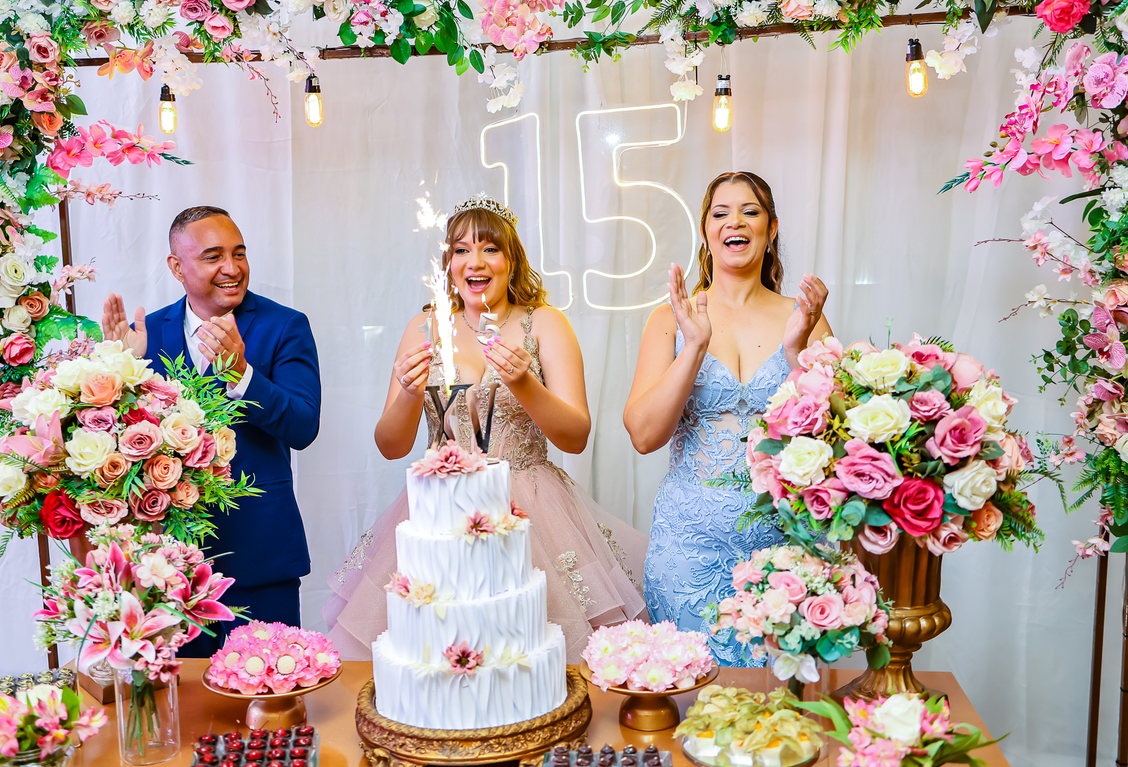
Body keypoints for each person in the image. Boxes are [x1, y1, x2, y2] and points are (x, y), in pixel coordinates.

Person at [325, 194, 646, 662]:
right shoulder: (424, 328)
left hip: (533, 507)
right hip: (442, 507)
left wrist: (524, 383)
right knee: (435, 656)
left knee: (532, 652)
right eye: (461, 250)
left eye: (490, 248)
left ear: (511, 260)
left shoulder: (544, 324)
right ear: (448, 265)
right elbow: (391, 446)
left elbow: (576, 437)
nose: (475, 261)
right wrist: (410, 393)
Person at [623, 172, 831, 665]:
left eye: (749, 211)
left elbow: (833, 441)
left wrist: (796, 352)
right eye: (721, 213)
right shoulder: (670, 319)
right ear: (705, 231)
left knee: (778, 697)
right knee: (689, 691)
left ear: (771, 229)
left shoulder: (804, 316)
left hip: (784, 546)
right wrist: (693, 346)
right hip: (687, 549)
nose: (734, 221)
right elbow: (644, 435)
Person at [102, 206, 322, 655]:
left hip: (260, 555)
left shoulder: (285, 325)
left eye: (239, 254)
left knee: (269, 687)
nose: (232, 268)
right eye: (213, 256)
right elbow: (119, 448)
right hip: (167, 566)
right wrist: (120, 372)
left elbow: (303, 426)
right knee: (181, 695)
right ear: (176, 266)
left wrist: (243, 375)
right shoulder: (146, 333)